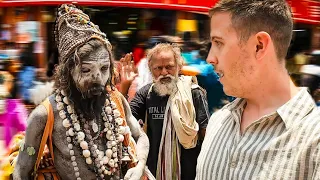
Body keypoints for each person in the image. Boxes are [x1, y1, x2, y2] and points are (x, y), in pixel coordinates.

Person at [13, 4, 149, 180]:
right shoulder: (45, 114)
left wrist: (140, 165)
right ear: (68, 72)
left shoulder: (116, 101)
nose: (97, 77)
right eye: (86, 70)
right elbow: (21, 170)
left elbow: (140, 137)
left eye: (104, 68)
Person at [196, 0, 320, 179]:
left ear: (259, 46)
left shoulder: (313, 140)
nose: (210, 58)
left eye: (219, 43)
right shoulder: (218, 122)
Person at [129, 43, 209, 180]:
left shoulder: (194, 93)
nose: (164, 72)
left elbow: (205, 134)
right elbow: (125, 119)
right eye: (158, 68)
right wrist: (124, 87)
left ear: (178, 66)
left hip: (189, 173)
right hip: (154, 173)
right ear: (150, 69)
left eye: (169, 67)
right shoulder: (146, 94)